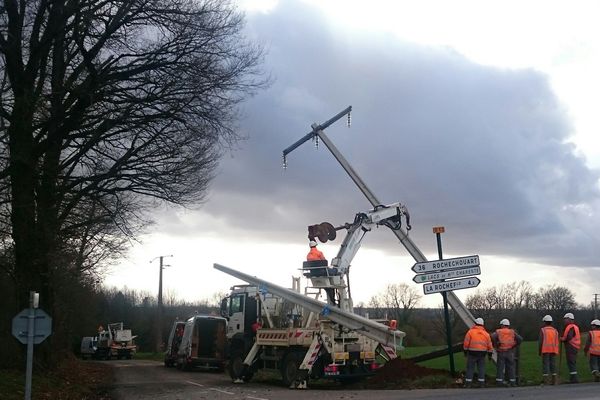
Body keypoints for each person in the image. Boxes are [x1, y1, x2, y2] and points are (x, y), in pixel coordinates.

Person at [491, 318, 522, 387]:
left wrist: (496, 344)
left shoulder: (499, 331)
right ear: (508, 325)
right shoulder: (512, 332)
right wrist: (514, 345)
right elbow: (520, 339)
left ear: (502, 325)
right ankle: (513, 382)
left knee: (500, 367)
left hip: (501, 351)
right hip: (510, 352)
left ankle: (499, 382)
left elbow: (492, 337)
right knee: (511, 367)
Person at [463, 317, 493, 388]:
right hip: (482, 353)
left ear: (475, 323)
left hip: (472, 353)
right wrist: (490, 355)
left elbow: (466, 343)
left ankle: (468, 384)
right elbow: (490, 345)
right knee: (481, 368)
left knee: (470, 368)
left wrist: (465, 351)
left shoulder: (470, 332)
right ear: (482, 325)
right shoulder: (486, 334)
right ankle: (481, 383)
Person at [539, 314, 559, 385]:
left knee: (546, 365)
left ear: (545, 322)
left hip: (545, 350)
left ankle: (546, 380)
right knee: (553, 364)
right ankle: (554, 380)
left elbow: (541, 341)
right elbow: (557, 341)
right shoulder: (555, 331)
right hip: (553, 350)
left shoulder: (543, 330)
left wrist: (539, 350)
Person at [561, 312, 581, 383]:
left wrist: (562, 339)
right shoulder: (575, 327)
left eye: (565, 319)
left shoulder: (571, 327)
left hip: (571, 346)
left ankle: (574, 379)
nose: (564, 320)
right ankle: (573, 377)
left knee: (571, 362)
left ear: (569, 319)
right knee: (572, 362)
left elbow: (569, 336)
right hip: (575, 347)